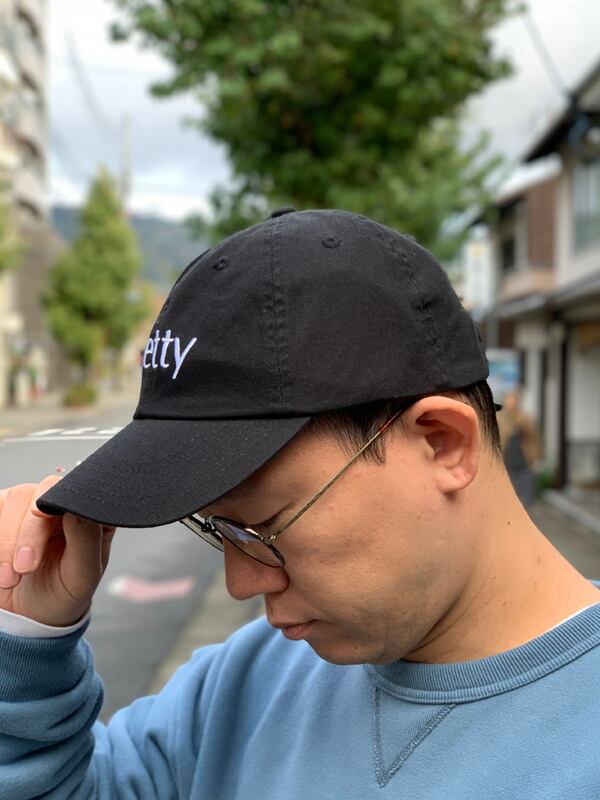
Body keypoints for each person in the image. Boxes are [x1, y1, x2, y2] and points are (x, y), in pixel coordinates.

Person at [1, 208, 600, 799]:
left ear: (443, 443)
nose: (242, 584)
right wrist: (27, 647)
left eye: (265, 525)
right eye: (218, 528)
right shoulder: (243, 685)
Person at [497, 388, 543, 508]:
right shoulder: (500, 418)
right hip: (507, 462)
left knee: (525, 496)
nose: (511, 404)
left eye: (513, 400)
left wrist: (537, 457)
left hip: (524, 461)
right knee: (509, 495)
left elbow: (534, 437)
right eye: (508, 400)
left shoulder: (524, 417)